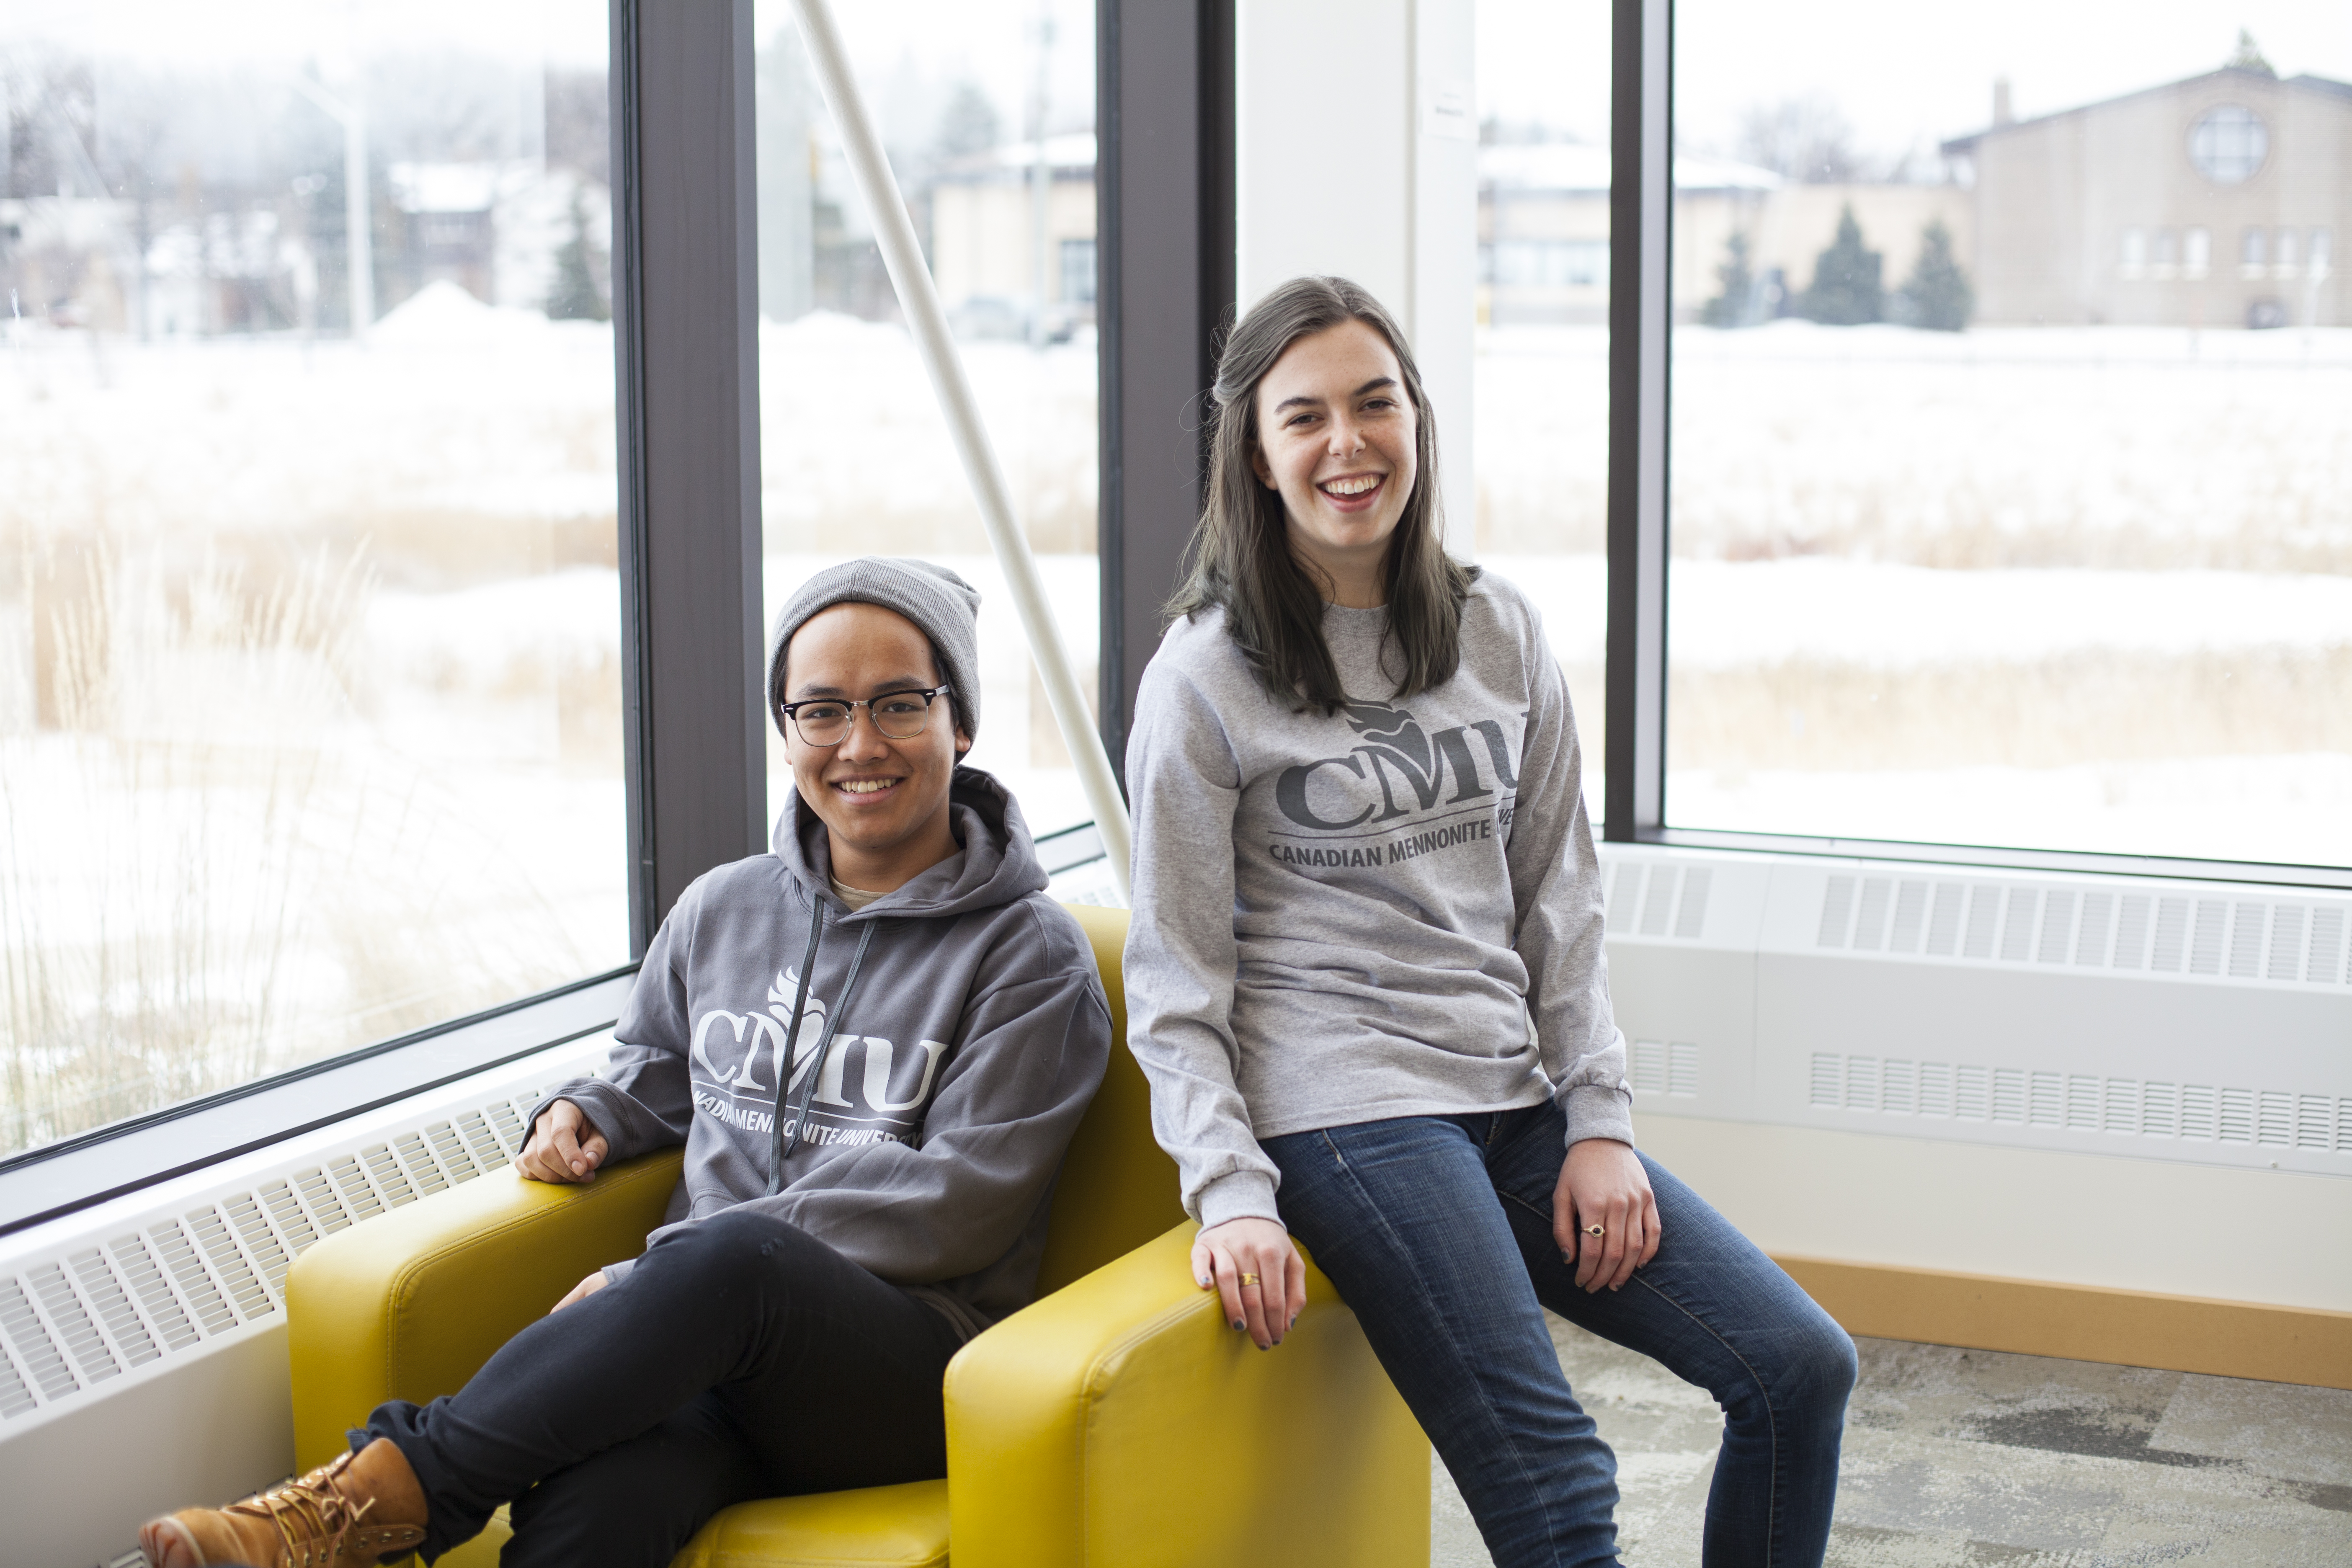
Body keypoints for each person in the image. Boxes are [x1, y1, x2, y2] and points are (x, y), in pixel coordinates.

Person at [142, 558, 1112, 1568]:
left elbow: (956, 1200)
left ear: (960, 723)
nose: (860, 744)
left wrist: (663, 1272)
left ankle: (380, 1499)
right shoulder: (722, 908)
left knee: (731, 1258)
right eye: (821, 711)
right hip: (705, 1357)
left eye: (900, 704)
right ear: (786, 733)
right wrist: (591, 1109)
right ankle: (380, 1506)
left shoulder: (1029, 954)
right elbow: (655, 1062)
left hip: (897, 1369)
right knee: (593, 1506)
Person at [1121, 276, 1855, 1568]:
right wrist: (1230, 1190)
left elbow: (1557, 902)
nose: (1348, 443)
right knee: (1560, 1486)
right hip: (1344, 1115)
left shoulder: (1499, 628)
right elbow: (1177, 982)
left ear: (1418, 420)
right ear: (1258, 453)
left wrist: (1601, 1121)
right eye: (1306, 418)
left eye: (1376, 403)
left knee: (1798, 1367)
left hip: (1509, 1096)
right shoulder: (1203, 676)